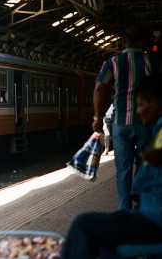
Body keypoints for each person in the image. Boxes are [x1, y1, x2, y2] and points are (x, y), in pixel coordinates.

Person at [62, 74, 162, 259]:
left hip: (153, 220)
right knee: (105, 252)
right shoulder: (156, 130)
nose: (137, 111)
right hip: (147, 213)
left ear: (154, 103)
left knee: (82, 224)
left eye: (140, 104)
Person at [92, 23, 159, 210]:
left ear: (124, 40)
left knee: (123, 170)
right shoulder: (152, 63)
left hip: (121, 123)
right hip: (147, 124)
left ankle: (124, 211)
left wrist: (97, 117)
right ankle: (141, 205)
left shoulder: (112, 63)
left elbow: (99, 88)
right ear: (144, 41)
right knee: (145, 164)